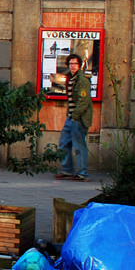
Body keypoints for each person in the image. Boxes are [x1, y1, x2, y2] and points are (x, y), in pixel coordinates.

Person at [54, 53, 93, 182]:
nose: (73, 66)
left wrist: (75, 116)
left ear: (79, 65)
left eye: (75, 64)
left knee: (79, 146)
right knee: (64, 142)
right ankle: (67, 170)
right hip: (70, 117)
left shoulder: (82, 80)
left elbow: (84, 101)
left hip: (79, 118)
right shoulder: (71, 78)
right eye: (71, 64)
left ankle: (83, 174)